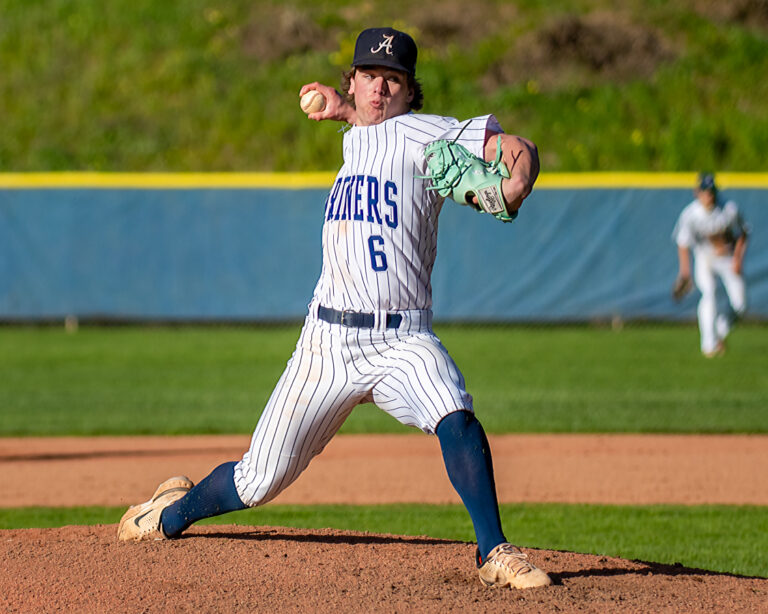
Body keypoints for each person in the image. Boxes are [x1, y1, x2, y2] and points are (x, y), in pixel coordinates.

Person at [118, 27, 551, 590]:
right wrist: (344, 109)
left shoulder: (426, 135)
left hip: (403, 340)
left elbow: (516, 147)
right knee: (258, 479)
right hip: (326, 342)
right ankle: (170, 513)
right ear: (354, 80)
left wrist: (516, 179)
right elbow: (365, 128)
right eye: (370, 76)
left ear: (409, 92)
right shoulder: (354, 134)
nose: (380, 88)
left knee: (455, 413)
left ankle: (494, 550)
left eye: (393, 80)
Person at [672, 172, 749, 357]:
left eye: (711, 190)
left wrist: (738, 259)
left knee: (740, 304)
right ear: (697, 192)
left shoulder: (728, 209)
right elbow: (682, 243)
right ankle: (709, 344)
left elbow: (743, 234)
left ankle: (719, 332)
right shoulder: (690, 214)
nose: (709, 195)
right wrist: (685, 272)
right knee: (709, 293)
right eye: (705, 191)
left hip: (727, 259)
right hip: (704, 258)